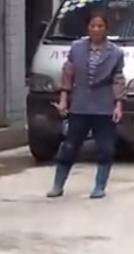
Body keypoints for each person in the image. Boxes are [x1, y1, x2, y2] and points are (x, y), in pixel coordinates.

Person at [47, 10, 125, 200]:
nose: (96, 29)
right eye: (92, 26)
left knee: (105, 148)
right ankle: (58, 185)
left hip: (104, 105)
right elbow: (68, 74)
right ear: (87, 27)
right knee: (70, 146)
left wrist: (118, 105)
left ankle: (99, 186)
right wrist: (64, 99)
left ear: (106, 29)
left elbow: (118, 79)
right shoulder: (77, 48)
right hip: (80, 104)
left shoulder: (115, 53)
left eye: (100, 26)